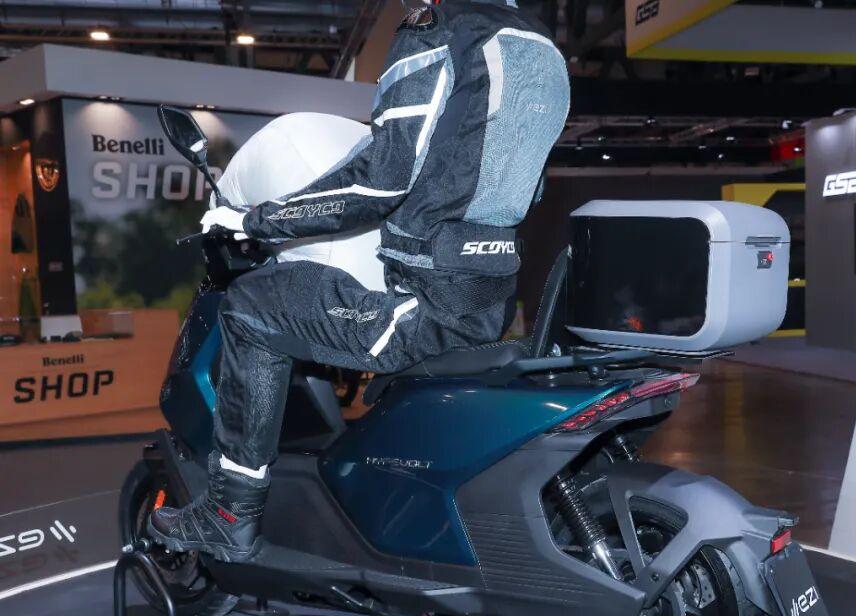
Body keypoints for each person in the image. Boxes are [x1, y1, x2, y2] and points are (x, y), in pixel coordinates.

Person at [148, 0, 570, 562]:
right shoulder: (540, 45)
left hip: (422, 306)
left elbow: (379, 182)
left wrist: (257, 220)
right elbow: (525, 186)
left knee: (250, 306)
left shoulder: (437, 31)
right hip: (490, 298)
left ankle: (230, 515)